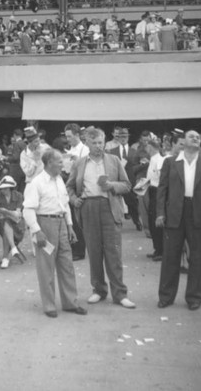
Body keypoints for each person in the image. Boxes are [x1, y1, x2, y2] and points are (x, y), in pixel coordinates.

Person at [67, 127, 136, 309]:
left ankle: (120, 294)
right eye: (94, 143)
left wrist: (112, 185)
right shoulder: (80, 163)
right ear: (87, 143)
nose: (98, 146)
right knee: (94, 251)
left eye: (100, 142)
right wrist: (74, 200)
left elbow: (127, 185)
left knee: (113, 252)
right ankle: (98, 290)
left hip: (109, 207)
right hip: (88, 207)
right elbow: (70, 186)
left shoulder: (114, 161)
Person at [156, 130, 201, 310]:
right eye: (192, 136)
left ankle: (194, 298)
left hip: (198, 213)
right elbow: (162, 189)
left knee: (197, 258)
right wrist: (160, 213)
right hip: (174, 213)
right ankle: (166, 297)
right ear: (183, 140)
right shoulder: (170, 162)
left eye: (199, 137)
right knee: (170, 257)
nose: (196, 139)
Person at [23, 149, 87, 318]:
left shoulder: (59, 180)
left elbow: (65, 205)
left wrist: (70, 226)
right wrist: (37, 231)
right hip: (45, 224)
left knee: (67, 264)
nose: (62, 164)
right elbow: (28, 210)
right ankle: (49, 305)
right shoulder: (36, 183)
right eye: (59, 161)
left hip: (61, 224)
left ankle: (70, 303)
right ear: (49, 162)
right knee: (46, 266)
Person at [64, 123, 89, 260]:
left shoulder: (84, 150)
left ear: (78, 135)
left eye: (70, 136)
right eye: (66, 136)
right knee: (70, 219)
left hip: (79, 187)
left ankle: (79, 251)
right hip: (68, 184)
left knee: (77, 220)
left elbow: (87, 166)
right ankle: (73, 248)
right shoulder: (70, 149)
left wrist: (76, 161)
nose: (68, 139)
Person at [109, 127, 142, 231]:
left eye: (125, 137)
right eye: (121, 137)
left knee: (132, 203)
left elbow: (138, 166)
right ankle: (117, 223)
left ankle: (137, 221)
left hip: (130, 181)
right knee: (115, 203)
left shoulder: (135, 151)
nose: (123, 139)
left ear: (128, 138)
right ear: (117, 138)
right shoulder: (112, 151)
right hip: (117, 181)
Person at [0, 175, 25, 269]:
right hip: (3, 223)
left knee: (6, 227)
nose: (3, 191)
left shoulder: (18, 196)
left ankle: (5, 258)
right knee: (5, 222)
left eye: (5, 189)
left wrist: (8, 212)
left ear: (10, 188)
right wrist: (3, 212)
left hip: (17, 225)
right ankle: (13, 249)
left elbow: (18, 213)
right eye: (2, 189)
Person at [146, 139, 165, 261]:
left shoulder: (159, 160)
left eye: (148, 147)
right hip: (151, 189)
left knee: (156, 221)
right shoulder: (153, 159)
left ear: (152, 148)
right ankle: (157, 248)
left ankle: (161, 250)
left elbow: (160, 178)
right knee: (151, 219)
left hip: (157, 191)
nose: (146, 150)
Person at [7, 128, 27, 193]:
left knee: (14, 188)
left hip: (16, 169)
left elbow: (15, 157)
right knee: (22, 189)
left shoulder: (17, 144)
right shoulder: (24, 144)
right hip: (23, 169)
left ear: (15, 135)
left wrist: (6, 158)